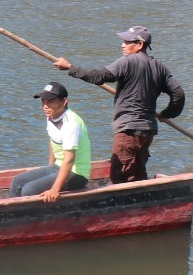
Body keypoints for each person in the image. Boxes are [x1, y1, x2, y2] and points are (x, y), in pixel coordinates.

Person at [54, 25, 184, 183]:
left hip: (128, 130)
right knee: (138, 172)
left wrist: (70, 67)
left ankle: (125, 206)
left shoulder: (127, 62)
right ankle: (144, 202)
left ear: (139, 45)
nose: (122, 45)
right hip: (147, 130)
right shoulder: (160, 67)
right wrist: (167, 114)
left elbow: (98, 76)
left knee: (120, 175)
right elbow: (178, 94)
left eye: (127, 41)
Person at [10, 81, 90, 202]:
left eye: (51, 101)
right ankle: (11, 214)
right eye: (43, 101)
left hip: (76, 173)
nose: (45, 106)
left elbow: (69, 160)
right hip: (58, 166)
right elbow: (53, 141)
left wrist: (55, 189)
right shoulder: (51, 116)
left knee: (29, 189)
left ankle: (30, 218)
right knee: (18, 181)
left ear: (64, 102)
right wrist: (50, 167)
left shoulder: (71, 123)